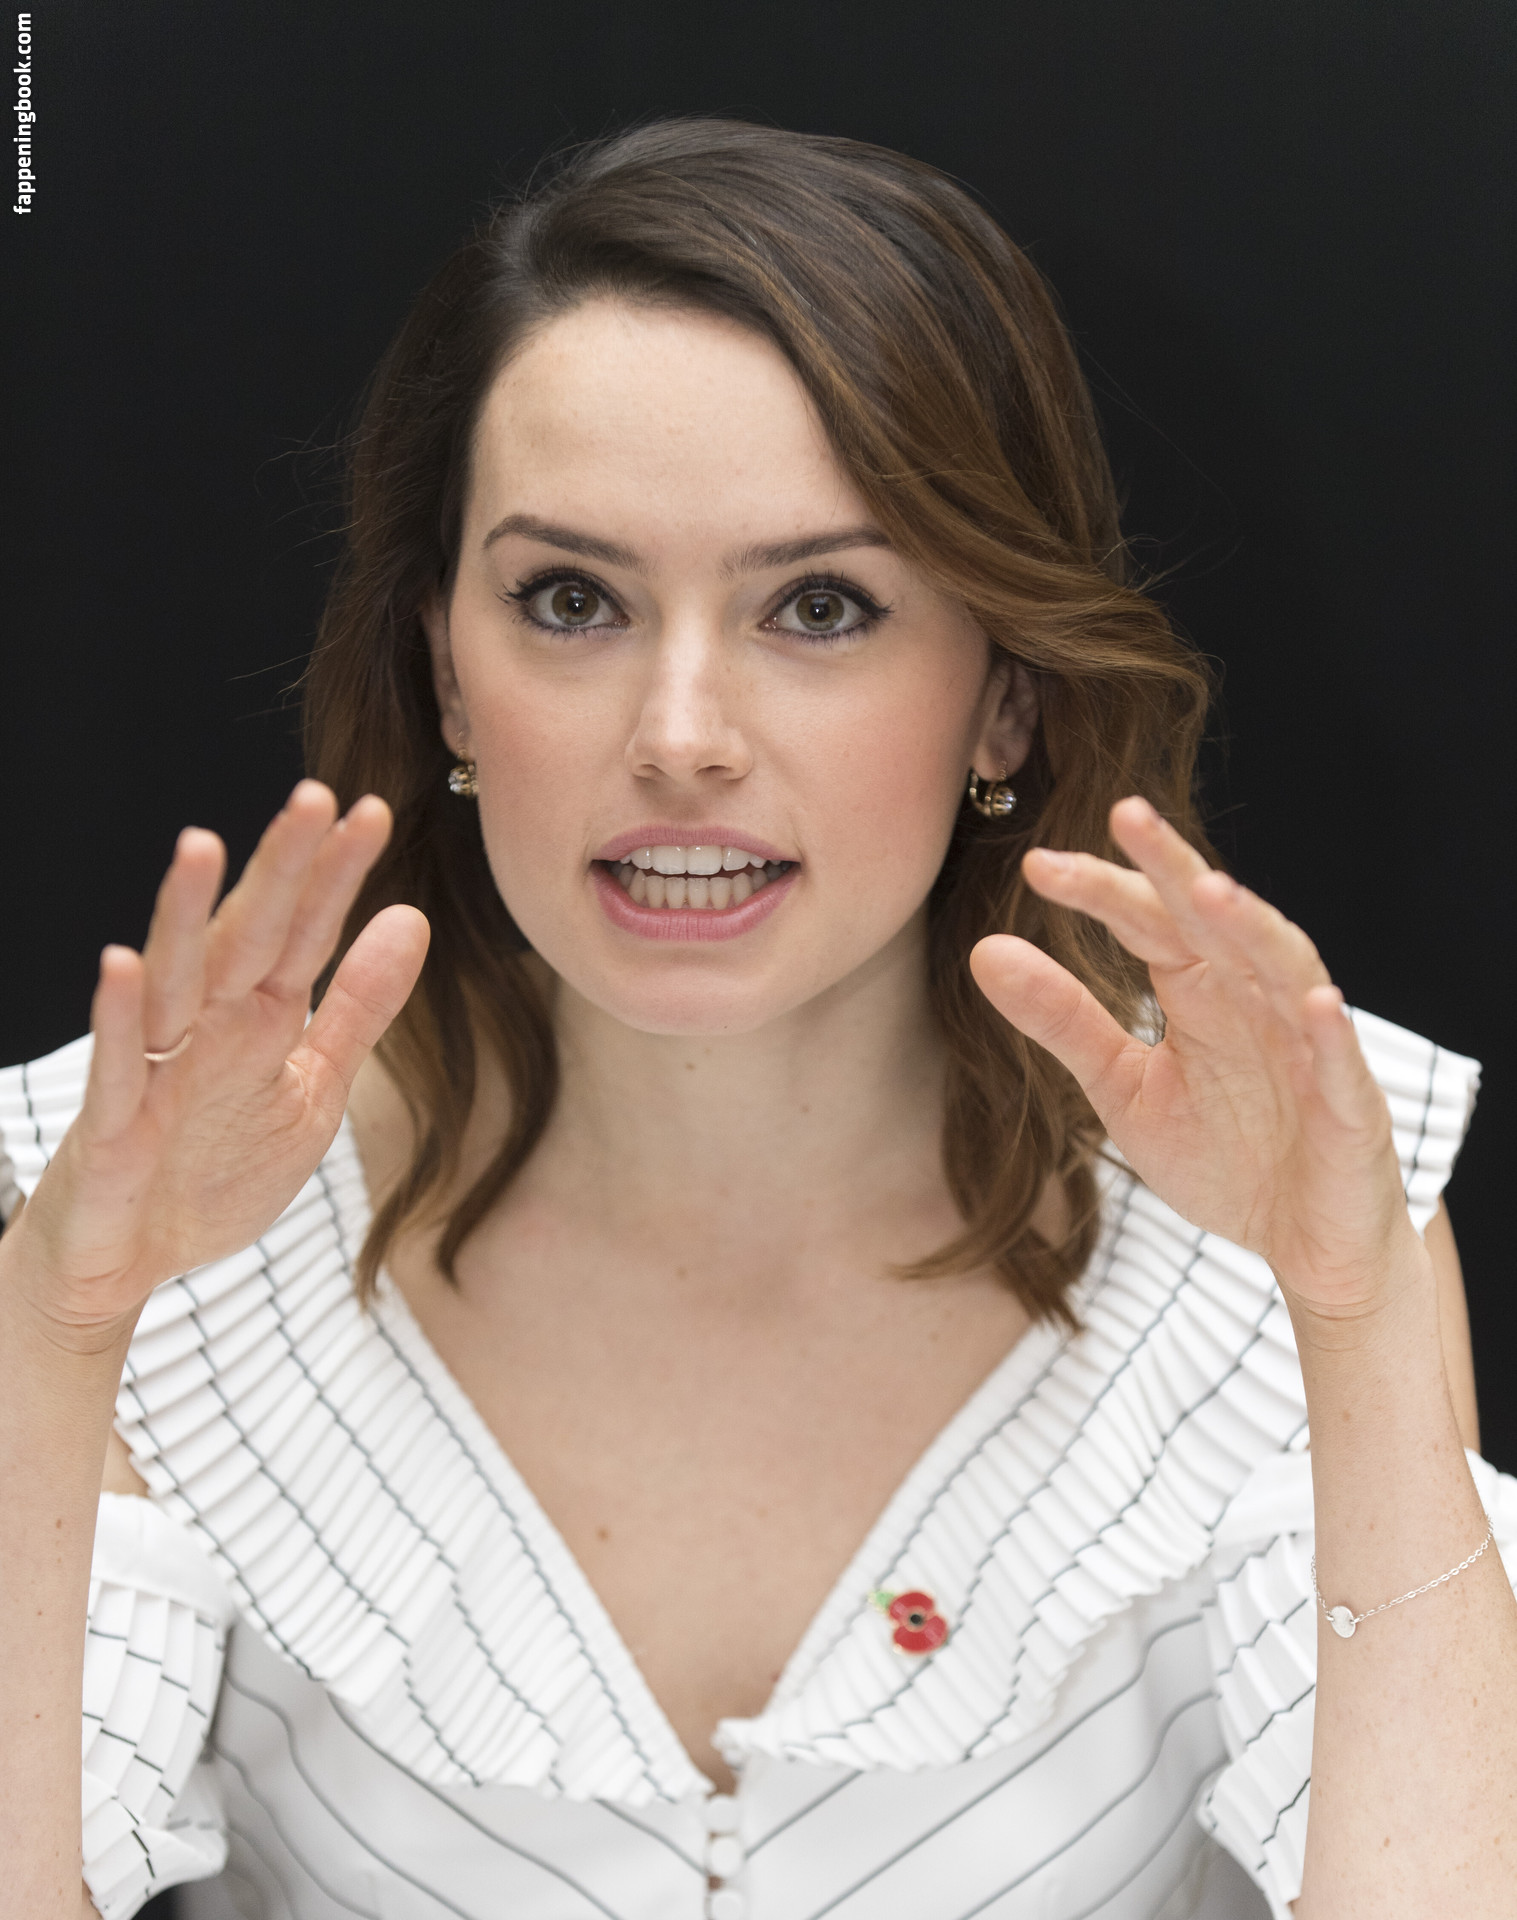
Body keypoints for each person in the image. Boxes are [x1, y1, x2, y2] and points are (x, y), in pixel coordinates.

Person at [2, 117, 1513, 1920]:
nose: (681, 736)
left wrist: (1349, 1309)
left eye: (818, 606)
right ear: (446, 673)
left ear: (1004, 697)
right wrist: (60, 1321)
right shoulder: (133, 1200)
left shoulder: (1291, 1202)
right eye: (573, 601)